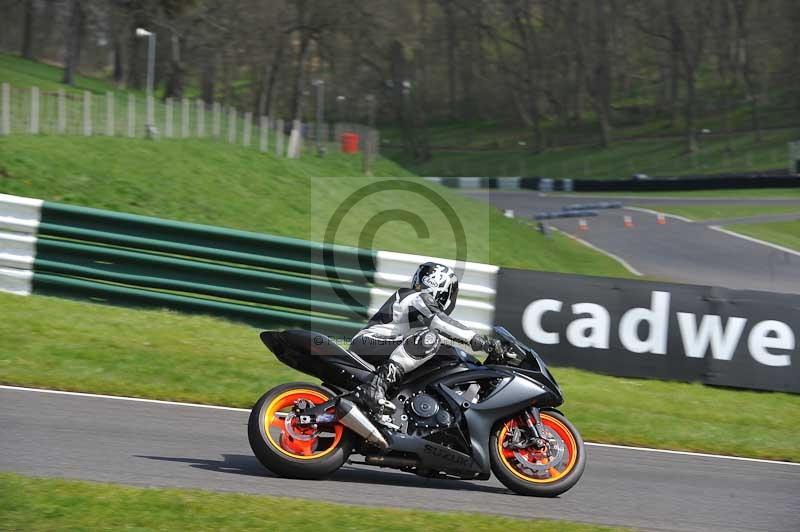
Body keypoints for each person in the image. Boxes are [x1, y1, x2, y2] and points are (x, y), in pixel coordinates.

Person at [349, 262, 500, 415]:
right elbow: (440, 322)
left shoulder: (417, 306)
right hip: (370, 343)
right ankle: (375, 386)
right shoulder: (416, 297)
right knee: (430, 339)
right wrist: (481, 342)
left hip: (382, 346)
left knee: (444, 350)